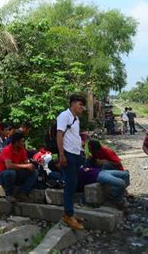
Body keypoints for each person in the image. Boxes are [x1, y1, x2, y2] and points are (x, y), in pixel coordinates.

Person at [57, 94, 86, 230]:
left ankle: (70, 213)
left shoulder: (76, 119)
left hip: (76, 154)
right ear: (73, 103)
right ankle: (68, 215)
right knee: (69, 185)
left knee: (73, 184)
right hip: (68, 154)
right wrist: (61, 155)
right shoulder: (64, 116)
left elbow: (74, 136)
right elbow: (59, 135)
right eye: (81, 104)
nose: (82, 107)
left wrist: (81, 150)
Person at [0, 130, 38, 202]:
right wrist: (26, 166)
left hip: (15, 174)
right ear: (16, 142)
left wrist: (32, 165)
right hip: (3, 176)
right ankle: (8, 195)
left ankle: (22, 193)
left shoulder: (22, 150)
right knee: (10, 172)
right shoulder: (7, 149)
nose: (23, 143)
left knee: (34, 172)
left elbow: (26, 163)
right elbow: (9, 166)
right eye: (22, 141)